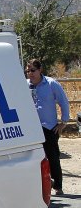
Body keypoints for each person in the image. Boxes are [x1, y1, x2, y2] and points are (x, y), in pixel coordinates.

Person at [26, 59, 70, 196]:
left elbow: (64, 102)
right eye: (27, 71)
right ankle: (41, 185)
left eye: (33, 70)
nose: (30, 74)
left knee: (52, 157)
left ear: (40, 70)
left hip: (49, 127)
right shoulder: (25, 85)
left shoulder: (51, 84)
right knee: (33, 158)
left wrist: (63, 122)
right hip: (32, 128)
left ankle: (58, 185)